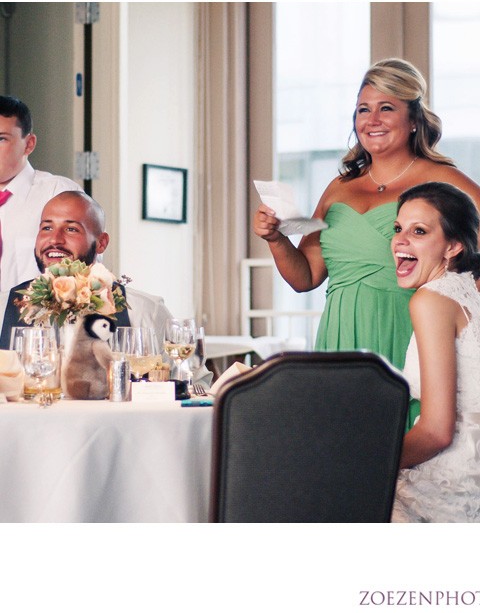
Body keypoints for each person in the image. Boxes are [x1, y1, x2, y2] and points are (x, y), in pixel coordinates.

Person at [253, 58, 480, 429]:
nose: (372, 120)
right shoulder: (339, 187)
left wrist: (459, 316)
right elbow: (305, 277)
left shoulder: (443, 179)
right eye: (363, 109)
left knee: (401, 447)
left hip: (408, 332)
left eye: (386, 108)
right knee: (342, 447)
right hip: (339, 339)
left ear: (414, 120)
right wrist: (276, 238)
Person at [0, 190, 212, 387]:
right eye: (47, 228)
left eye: (71, 229)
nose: (55, 239)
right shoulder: (3, 307)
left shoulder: (145, 310)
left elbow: (196, 385)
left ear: (101, 243)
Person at [389, 182, 480, 522]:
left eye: (419, 231)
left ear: (453, 246)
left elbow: (436, 432)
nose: (400, 240)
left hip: (452, 481)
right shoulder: (470, 290)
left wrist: (366, 464)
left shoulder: (432, 299)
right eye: (398, 228)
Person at [0, 96, 83, 292]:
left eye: (1, 139)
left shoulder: (58, 193)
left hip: (35, 312)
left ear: (29, 144)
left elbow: (85, 273)